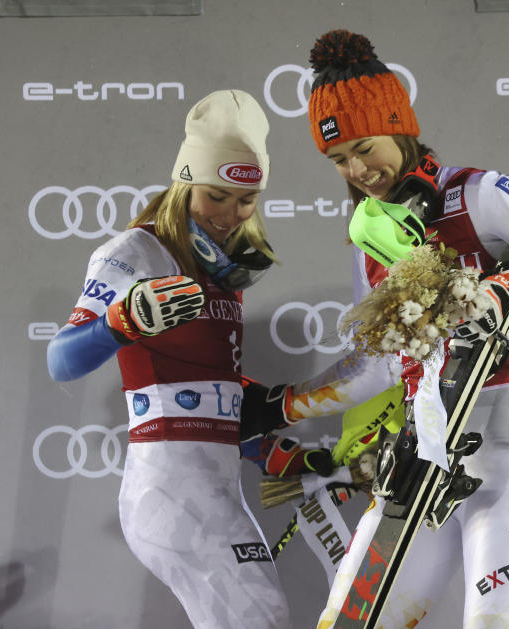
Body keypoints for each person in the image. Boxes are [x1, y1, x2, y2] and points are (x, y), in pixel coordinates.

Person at [292, 30, 509, 628]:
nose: (357, 170)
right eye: (339, 161)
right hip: (425, 452)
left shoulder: (478, 194)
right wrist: (283, 406)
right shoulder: (370, 238)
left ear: (398, 125)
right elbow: (378, 364)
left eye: (365, 148)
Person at [45, 89, 329, 629]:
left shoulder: (223, 271)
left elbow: (206, 392)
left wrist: (273, 453)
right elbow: (62, 361)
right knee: (261, 619)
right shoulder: (135, 252)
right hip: (170, 491)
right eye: (216, 196)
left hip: (212, 486)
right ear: (184, 180)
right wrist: (121, 322)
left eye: (246, 200)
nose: (230, 215)